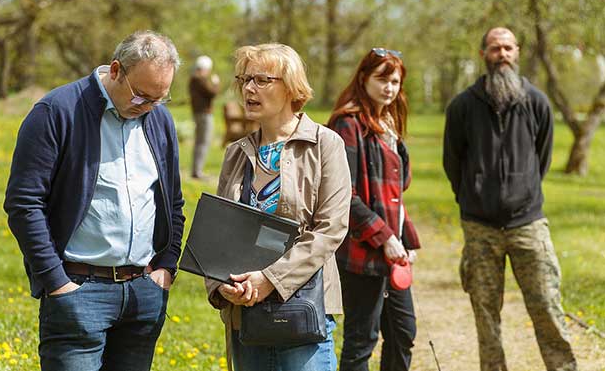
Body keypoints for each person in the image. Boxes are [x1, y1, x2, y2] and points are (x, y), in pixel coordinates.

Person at [4, 30, 186, 371]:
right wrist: (56, 281)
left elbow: (172, 202)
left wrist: (166, 267)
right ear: (116, 70)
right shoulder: (56, 112)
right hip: (78, 289)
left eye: (159, 99)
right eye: (141, 97)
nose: (147, 107)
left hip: (143, 293)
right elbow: (24, 204)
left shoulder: (159, 119)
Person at [205, 43, 352, 371]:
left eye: (260, 80)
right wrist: (221, 286)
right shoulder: (236, 152)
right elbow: (219, 233)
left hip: (302, 315)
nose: (248, 89)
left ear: (291, 87)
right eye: (244, 80)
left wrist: (270, 279)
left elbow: (330, 229)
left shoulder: (325, 144)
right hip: (246, 320)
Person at [443, 27, 577, 371]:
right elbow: (452, 162)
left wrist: (522, 191)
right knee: (486, 315)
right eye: (494, 48)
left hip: (528, 224)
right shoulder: (462, 106)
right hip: (480, 228)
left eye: (507, 48)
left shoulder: (537, 102)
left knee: (547, 305)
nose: (501, 54)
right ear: (483, 54)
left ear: (517, 52)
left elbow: (542, 158)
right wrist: (474, 197)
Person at [327, 48, 421, 371]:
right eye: (382, 79)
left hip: (391, 252)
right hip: (361, 252)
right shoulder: (348, 124)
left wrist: (404, 239)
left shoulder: (388, 124)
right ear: (364, 78)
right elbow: (343, 195)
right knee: (361, 341)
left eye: (395, 81)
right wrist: (384, 238)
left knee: (403, 333)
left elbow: (395, 193)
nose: (389, 87)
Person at [189, 54, 220, 178]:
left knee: (200, 142)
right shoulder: (200, 80)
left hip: (199, 114)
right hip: (204, 115)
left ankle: (196, 170)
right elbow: (212, 93)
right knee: (203, 142)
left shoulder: (193, 79)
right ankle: (197, 171)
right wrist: (216, 83)